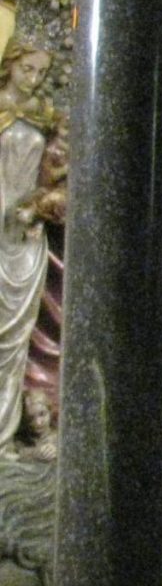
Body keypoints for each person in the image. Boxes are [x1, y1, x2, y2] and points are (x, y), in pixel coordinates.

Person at [0, 38, 59, 450]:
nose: (33, 79)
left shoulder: (45, 116)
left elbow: (56, 176)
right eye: (27, 69)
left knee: (13, 343)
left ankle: (3, 436)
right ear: (10, 65)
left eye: (41, 72)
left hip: (24, 237)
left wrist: (39, 208)